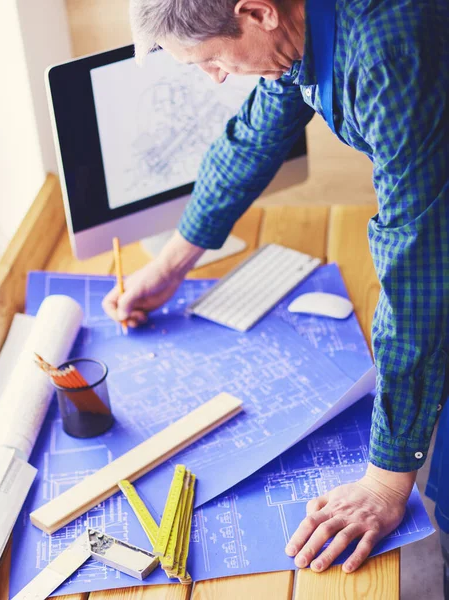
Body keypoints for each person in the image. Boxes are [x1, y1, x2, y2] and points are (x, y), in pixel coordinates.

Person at [102, 0, 449, 586]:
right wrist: (172, 263)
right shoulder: (294, 32)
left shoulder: (384, 52)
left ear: (256, 13)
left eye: (211, 59)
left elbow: (417, 270)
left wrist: (387, 481)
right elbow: (253, 137)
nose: (213, 76)